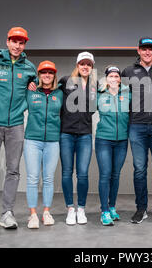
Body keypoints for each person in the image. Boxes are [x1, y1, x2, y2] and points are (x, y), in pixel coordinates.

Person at [0, 27, 37, 231]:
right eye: (14, 41)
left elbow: (37, 86)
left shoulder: (29, 67)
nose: (17, 46)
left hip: (16, 124)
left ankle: (7, 213)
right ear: (7, 42)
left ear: (24, 45)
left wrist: (34, 85)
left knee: (13, 171)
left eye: (21, 43)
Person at [121, 37, 152, 225]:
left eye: (150, 49)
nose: (147, 52)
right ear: (138, 50)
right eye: (144, 49)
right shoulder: (128, 71)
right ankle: (141, 209)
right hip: (136, 125)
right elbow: (118, 93)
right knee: (139, 170)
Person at [59, 52, 97, 225]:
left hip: (85, 135)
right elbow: (47, 88)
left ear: (92, 67)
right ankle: (70, 209)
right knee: (67, 172)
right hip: (66, 134)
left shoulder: (95, 85)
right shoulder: (65, 80)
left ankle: (81, 208)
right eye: (82, 63)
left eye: (88, 64)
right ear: (77, 65)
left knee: (82, 174)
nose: (85, 66)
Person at [23, 61, 63, 229]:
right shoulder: (30, 92)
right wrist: (29, 82)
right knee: (32, 178)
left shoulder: (60, 93)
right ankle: (32, 214)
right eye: (43, 72)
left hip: (53, 141)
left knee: (48, 178)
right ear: (38, 75)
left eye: (50, 72)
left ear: (54, 75)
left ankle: (46, 212)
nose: (47, 75)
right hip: (32, 139)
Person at [95, 66, 130, 226]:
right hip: (103, 139)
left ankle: (112, 207)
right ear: (106, 78)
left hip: (122, 140)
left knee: (115, 175)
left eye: (116, 76)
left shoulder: (127, 94)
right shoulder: (99, 94)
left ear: (120, 79)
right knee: (105, 174)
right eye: (111, 76)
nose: (114, 79)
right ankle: (104, 211)